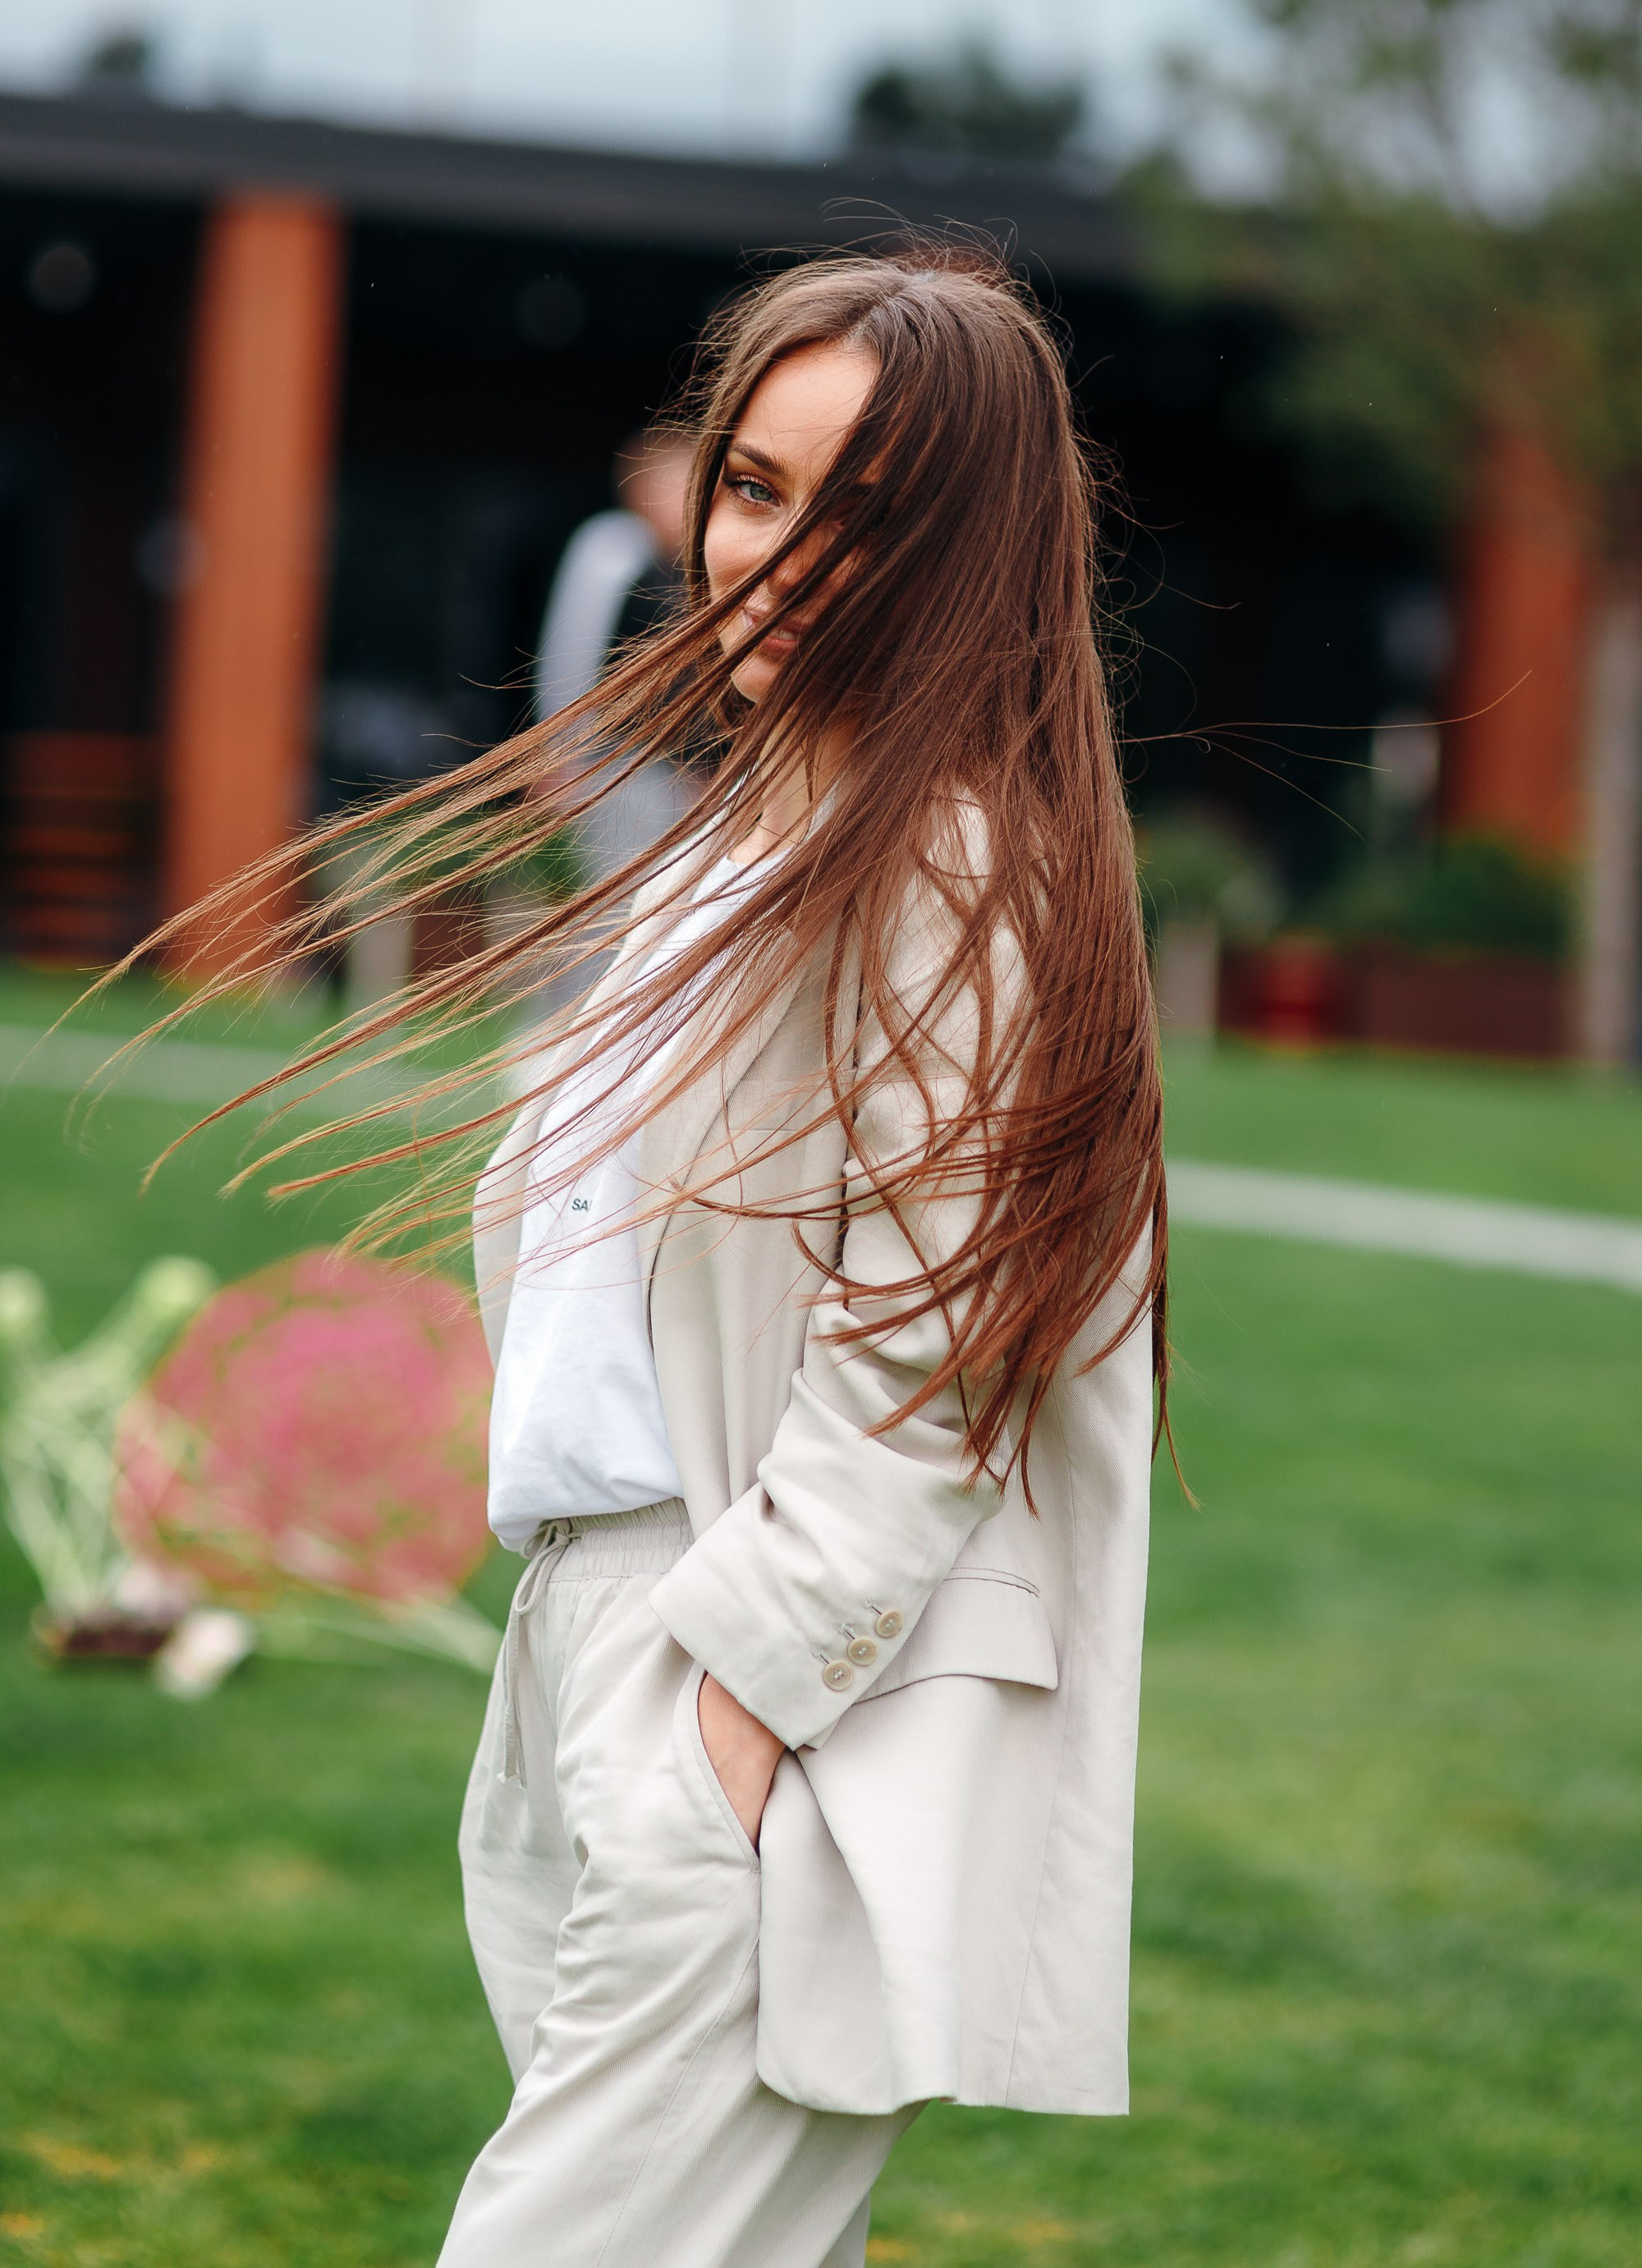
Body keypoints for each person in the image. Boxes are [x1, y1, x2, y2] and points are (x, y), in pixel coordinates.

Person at [134, 241, 1167, 2268]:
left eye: (859, 514)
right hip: (598, 1623)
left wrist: (730, 1703)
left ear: (972, 551)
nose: (771, 558)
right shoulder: (751, 830)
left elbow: (938, 1348)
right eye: (753, 487)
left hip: (761, 1675)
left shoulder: (950, 856)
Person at [534, 424, 698, 884]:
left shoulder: (688, 565)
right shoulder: (614, 549)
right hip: (615, 764)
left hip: (676, 778)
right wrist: (559, 752)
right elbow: (572, 653)